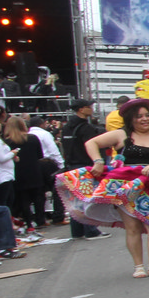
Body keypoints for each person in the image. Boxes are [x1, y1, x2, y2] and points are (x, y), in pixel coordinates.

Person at [66, 98, 149, 277]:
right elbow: (91, 143)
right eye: (139, 116)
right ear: (130, 119)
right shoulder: (121, 135)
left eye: (147, 115)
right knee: (132, 227)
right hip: (127, 186)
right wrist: (98, 161)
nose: (144, 119)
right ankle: (138, 267)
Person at [57, 99, 105, 240]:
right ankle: (91, 231)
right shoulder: (86, 128)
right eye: (89, 106)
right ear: (81, 109)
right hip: (85, 165)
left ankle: (77, 231)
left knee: (75, 199)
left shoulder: (66, 127)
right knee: (87, 199)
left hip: (70, 165)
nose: (91, 109)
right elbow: (92, 148)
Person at [2, 116, 46, 236]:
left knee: (23, 198)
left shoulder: (7, 142)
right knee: (38, 196)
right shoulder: (32, 138)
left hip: (18, 172)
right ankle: (40, 219)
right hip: (34, 170)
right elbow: (40, 155)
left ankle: (28, 222)